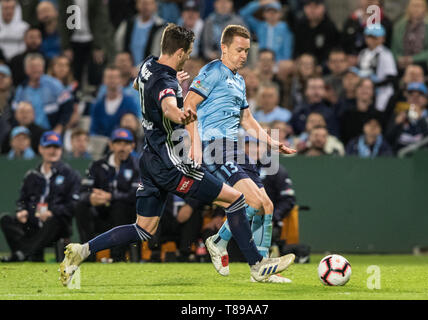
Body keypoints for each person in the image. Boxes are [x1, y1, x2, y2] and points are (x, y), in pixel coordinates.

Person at [59, 24, 295, 286]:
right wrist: (180, 113)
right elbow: (170, 105)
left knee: (143, 229)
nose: (190, 56)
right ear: (181, 52)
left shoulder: (148, 66)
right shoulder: (168, 82)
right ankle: (256, 264)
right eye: (189, 52)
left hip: (149, 158)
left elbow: (139, 83)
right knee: (236, 200)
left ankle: (83, 250)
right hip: (171, 164)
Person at [184, 24, 296, 283]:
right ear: (224, 48)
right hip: (215, 147)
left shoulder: (239, 80)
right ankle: (251, 261)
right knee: (254, 203)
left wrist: (270, 142)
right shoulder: (212, 71)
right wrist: (196, 144)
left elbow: (246, 118)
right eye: (239, 50)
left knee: (266, 205)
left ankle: (257, 266)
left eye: (247, 50)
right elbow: (189, 104)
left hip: (235, 148)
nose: (244, 55)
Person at [0, 131, 81, 262]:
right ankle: (28, 252)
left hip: (56, 227)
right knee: (5, 219)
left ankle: (21, 254)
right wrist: (22, 211)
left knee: (55, 220)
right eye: (49, 147)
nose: (52, 151)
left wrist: (52, 212)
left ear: (61, 150)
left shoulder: (71, 175)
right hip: (32, 224)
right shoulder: (32, 176)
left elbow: (74, 204)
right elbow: (22, 200)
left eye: (56, 147)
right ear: (40, 149)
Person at [74, 128, 139, 262]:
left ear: (132, 146)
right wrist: (91, 198)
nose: (122, 147)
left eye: (126, 143)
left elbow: (134, 194)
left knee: (120, 205)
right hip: (101, 213)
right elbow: (83, 190)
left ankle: (117, 257)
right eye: (118, 143)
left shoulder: (137, 166)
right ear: (111, 145)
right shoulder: (97, 165)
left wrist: (110, 197)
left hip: (127, 217)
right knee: (81, 206)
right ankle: (87, 255)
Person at [12, 54, 74, 133]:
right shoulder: (21, 89)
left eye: (38, 66)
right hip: (28, 133)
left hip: (51, 131)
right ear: (26, 70)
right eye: (32, 66)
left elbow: (67, 107)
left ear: (43, 68)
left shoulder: (55, 84)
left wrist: (60, 127)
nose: (36, 69)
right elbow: (15, 112)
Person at [391, 0, 428, 79]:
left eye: (419, 6)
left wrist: (412, 59)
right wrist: (400, 59)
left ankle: (411, 90)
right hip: (403, 62)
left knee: (413, 71)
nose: (416, 9)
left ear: (425, 8)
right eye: (414, 6)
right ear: (408, 7)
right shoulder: (399, 26)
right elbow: (394, 49)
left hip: (426, 62)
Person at [386, 82, 428, 152]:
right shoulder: (398, 114)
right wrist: (396, 124)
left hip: (423, 156)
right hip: (399, 157)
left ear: (427, 100)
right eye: (411, 95)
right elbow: (388, 140)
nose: (415, 98)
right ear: (407, 98)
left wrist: (421, 120)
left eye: (420, 95)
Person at [89, 66, 141, 138]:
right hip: (102, 145)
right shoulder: (97, 105)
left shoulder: (130, 102)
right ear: (104, 80)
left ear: (120, 79)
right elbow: (93, 130)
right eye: (109, 77)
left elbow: (135, 127)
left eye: (115, 77)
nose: (112, 80)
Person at [358, 24, 397, 112]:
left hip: (381, 92)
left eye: (375, 37)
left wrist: (373, 85)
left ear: (382, 39)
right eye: (369, 37)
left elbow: (391, 77)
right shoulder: (363, 53)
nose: (371, 40)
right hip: (365, 89)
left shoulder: (386, 54)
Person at [114, 0, 166, 67]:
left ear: (155, 6)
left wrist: (139, 69)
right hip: (127, 70)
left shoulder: (161, 27)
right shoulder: (128, 24)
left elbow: (157, 54)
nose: (146, 7)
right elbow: (119, 46)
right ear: (136, 5)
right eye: (143, 3)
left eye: (149, 4)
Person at [290, 0, 340, 66]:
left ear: (323, 8)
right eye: (309, 6)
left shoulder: (330, 27)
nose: (312, 10)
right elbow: (296, 49)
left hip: (322, 65)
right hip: (302, 63)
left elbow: (331, 52)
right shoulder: (300, 25)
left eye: (316, 7)